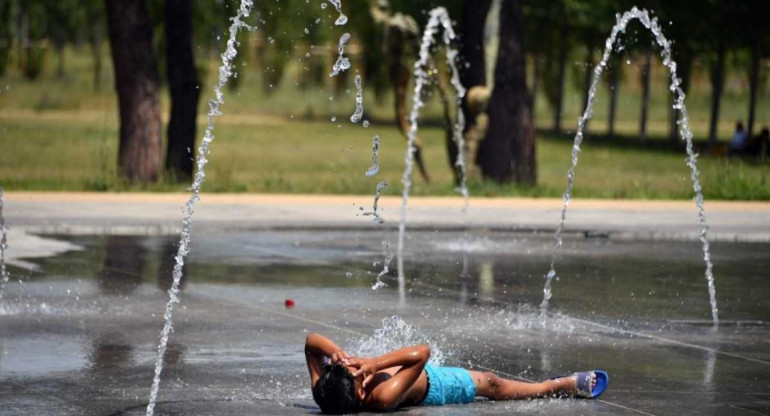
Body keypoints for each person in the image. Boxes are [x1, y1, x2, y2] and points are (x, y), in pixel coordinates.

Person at [305, 333, 608, 414]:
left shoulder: (325, 392)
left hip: (414, 372)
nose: (358, 368)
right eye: (357, 374)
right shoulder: (381, 397)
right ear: (360, 394)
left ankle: (551, 386)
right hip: (436, 386)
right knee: (492, 383)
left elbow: (310, 344)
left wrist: (337, 354)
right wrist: (375, 364)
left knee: (491, 381)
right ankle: (553, 387)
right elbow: (422, 354)